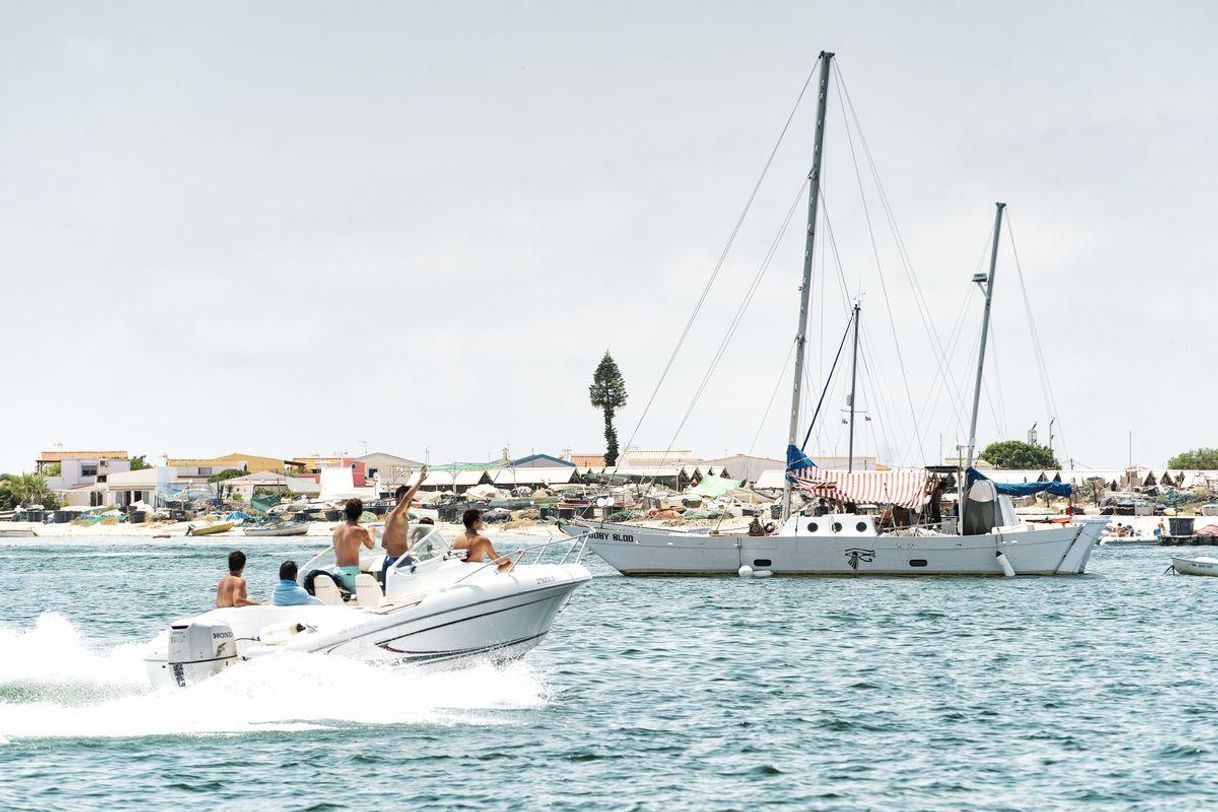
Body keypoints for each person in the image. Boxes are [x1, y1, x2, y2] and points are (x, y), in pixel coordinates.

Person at [381, 465, 429, 584]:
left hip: (390, 560)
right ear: (397, 499)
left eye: (409, 500)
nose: (407, 502)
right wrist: (420, 480)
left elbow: (383, 543)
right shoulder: (396, 514)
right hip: (399, 562)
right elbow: (406, 499)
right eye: (404, 499)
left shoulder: (390, 517)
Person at [331, 498, 374, 591]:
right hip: (350, 573)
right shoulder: (360, 530)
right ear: (360, 513)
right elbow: (370, 545)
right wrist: (371, 531)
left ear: (346, 511)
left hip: (336, 571)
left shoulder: (338, 528)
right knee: (364, 597)